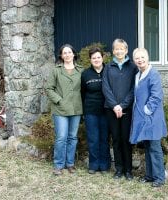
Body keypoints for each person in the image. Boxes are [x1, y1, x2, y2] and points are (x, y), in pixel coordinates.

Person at [129, 47, 167, 187]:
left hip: (152, 117)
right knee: (148, 147)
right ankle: (150, 175)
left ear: (147, 58)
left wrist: (147, 109)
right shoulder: (138, 75)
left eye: (142, 57)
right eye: (137, 58)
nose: (140, 60)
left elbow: (156, 96)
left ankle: (159, 178)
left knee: (155, 148)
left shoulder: (153, 73)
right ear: (134, 60)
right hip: (142, 118)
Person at [45, 44, 84, 176]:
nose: (67, 55)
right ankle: (58, 165)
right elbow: (49, 88)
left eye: (69, 52)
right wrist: (59, 100)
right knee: (61, 137)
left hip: (76, 109)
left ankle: (70, 164)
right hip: (60, 109)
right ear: (61, 56)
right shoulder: (56, 70)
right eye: (64, 53)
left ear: (74, 54)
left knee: (72, 137)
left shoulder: (81, 70)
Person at [102, 38, 138, 180]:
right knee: (116, 139)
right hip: (111, 110)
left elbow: (133, 89)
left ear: (126, 50)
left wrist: (122, 105)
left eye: (121, 48)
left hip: (127, 110)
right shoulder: (108, 67)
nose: (119, 51)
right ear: (113, 51)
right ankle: (118, 169)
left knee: (126, 140)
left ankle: (128, 170)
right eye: (116, 49)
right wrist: (115, 105)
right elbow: (105, 88)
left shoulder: (133, 67)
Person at [81, 46, 111, 174]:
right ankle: (93, 164)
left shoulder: (109, 71)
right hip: (91, 112)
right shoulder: (85, 74)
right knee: (93, 138)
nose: (96, 59)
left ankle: (104, 165)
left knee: (104, 139)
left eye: (98, 57)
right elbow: (82, 93)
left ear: (103, 57)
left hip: (106, 111)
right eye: (94, 58)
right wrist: (83, 111)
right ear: (90, 59)